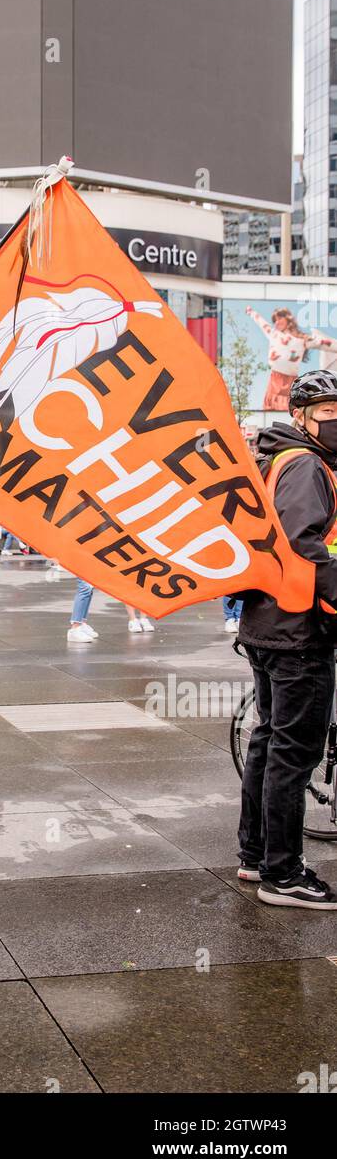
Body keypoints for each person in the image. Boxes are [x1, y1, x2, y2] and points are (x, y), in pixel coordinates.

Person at [237, 368, 337, 909]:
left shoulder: (278, 458)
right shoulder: (306, 466)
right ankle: (285, 874)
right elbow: (305, 546)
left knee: (269, 740)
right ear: (300, 416)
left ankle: (255, 856)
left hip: (268, 624)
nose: (336, 420)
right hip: (300, 630)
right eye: (326, 412)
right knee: (293, 755)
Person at [246, 306, 337, 413]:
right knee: (271, 409)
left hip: (291, 381)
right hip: (275, 380)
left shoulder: (302, 339)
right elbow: (262, 323)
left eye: (279, 318)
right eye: (275, 321)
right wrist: (251, 312)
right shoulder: (274, 334)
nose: (276, 322)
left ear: (288, 318)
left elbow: (324, 343)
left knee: (290, 408)